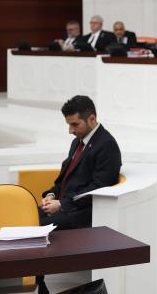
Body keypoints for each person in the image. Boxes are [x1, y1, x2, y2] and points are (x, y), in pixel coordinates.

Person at [39, 95, 122, 230]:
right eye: (69, 125)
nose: (70, 131)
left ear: (92, 119)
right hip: (63, 206)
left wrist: (61, 204)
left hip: (79, 214)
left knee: (35, 224)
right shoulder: (77, 141)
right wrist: (51, 195)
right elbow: (64, 179)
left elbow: (99, 188)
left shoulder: (107, 145)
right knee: (23, 215)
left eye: (75, 125)